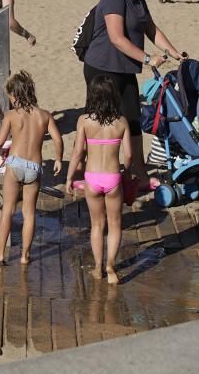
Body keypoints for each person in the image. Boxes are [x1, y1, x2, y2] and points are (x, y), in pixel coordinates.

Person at [83, 0, 188, 191]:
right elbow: (117, 38)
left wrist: (172, 52)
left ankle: (139, 173)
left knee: (132, 119)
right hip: (102, 68)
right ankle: (94, 171)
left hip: (125, 68)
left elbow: (151, 28)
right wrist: (148, 58)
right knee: (100, 122)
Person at [0, 70, 63, 264]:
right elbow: (57, 139)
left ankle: (1, 253)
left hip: (15, 164)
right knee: (29, 213)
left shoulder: (11, 115)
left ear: (14, 96)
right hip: (34, 167)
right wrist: (59, 159)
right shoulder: (44, 116)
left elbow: (0, 141)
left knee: (8, 211)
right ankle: (25, 256)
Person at [66, 76, 132, 284]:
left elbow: (78, 153)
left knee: (96, 225)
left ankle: (97, 267)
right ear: (114, 96)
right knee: (115, 224)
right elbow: (129, 155)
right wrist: (127, 173)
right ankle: (111, 267)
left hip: (92, 178)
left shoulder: (84, 121)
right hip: (113, 177)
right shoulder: (121, 122)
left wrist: (69, 177)